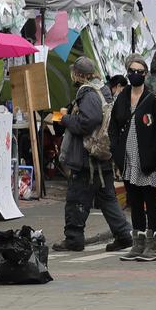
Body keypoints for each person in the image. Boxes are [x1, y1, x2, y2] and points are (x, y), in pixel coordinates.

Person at [55, 57, 133, 253]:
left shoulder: (88, 93)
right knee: (107, 198)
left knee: (76, 199)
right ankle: (123, 234)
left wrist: (65, 119)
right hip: (102, 154)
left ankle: (73, 239)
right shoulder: (103, 90)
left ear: (78, 75)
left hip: (86, 157)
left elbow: (87, 122)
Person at [110, 55, 156, 262]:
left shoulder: (153, 100)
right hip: (128, 160)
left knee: (151, 202)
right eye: (132, 71)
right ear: (127, 72)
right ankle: (138, 244)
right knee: (134, 202)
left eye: (140, 71)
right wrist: (117, 152)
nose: (135, 74)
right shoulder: (122, 98)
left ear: (145, 74)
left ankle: (152, 246)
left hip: (149, 162)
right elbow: (114, 128)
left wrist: (154, 157)